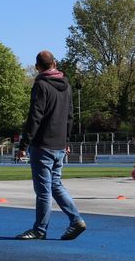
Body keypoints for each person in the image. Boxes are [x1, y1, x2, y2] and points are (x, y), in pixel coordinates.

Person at [15, 51, 86, 240]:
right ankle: (76, 219)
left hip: (43, 144)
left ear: (37, 67)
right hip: (59, 144)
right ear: (54, 63)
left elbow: (35, 115)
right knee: (56, 184)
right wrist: (66, 140)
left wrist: (24, 144)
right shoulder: (67, 85)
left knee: (43, 190)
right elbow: (70, 116)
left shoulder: (41, 84)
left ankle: (40, 229)